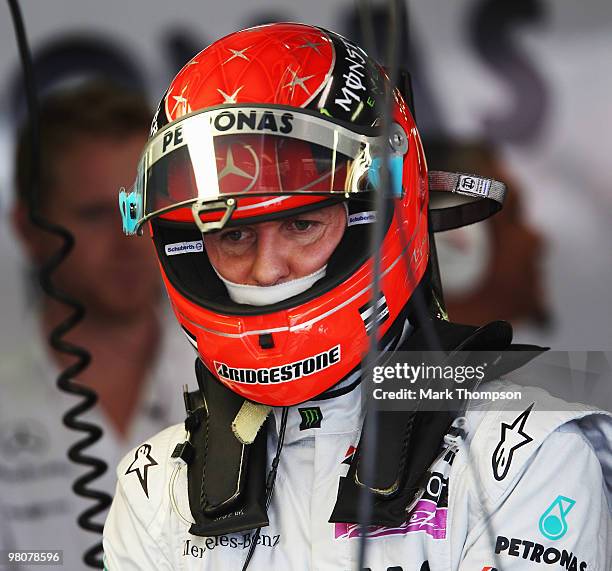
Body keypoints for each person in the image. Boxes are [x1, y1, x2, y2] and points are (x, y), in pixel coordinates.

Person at [102, 24, 611, 570]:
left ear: (378, 217)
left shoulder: (528, 451)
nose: (268, 269)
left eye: (301, 224)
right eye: (234, 236)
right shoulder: (156, 487)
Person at [0, 82, 196, 569]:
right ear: (28, 229)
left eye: (143, 206)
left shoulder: (240, 378)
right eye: (94, 215)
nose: (129, 239)